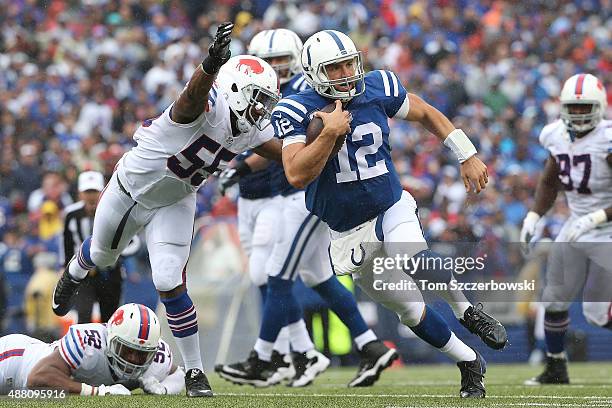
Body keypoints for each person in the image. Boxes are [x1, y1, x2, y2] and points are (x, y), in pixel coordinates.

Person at [272, 30, 508, 398]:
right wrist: (328, 134)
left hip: (390, 204)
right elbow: (296, 173)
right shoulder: (296, 108)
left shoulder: (377, 86)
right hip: (348, 231)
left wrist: (466, 152)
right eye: (335, 68)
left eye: (350, 63)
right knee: (411, 313)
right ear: (315, 72)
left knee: (412, 255)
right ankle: (469, 361)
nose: (347, 72)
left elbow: (426, 112)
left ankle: (467, 312)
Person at [51, 22, 282, 397]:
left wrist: (326, 131)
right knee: (102, 255)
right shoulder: (205, 105)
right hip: (131, 191)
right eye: (258, 98)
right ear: (236, 90)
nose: (262, 109)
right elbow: (191, 98)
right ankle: (75, 270)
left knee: (168, 280)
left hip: (176, 200)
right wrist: (210, 64)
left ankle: (194, 372)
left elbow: (287, 153)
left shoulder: (250, 129)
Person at [216, 28, 397, 389]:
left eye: (282, 61)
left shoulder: (311, 92)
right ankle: (365, 345)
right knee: (315, 276)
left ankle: (269, 357)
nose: (275, 69)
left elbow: (290, 150)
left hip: (300, 195)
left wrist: (241, 165)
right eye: (268, 63)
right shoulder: (260, 90)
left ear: (300, 60)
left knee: (276, 275)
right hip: (277, 196)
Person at [520, 73, 611, 385]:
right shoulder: (554, 135)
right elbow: (549, 179)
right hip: (577, 226)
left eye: (586, 107)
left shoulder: (608, 138)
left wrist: (597, 217)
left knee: (598, 313)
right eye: (574, 107)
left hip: (608, 229)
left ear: (599, 107)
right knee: (554, 299)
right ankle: (556, 368)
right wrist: (533, 216)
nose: (579, 114)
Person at [0, 303, 184, 395]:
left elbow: (178, 375)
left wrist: (162, 389)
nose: (133, 359)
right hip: (15, 360)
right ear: (110, 339)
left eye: (142, 354)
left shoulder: (158, 357)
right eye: (126, 349)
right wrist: (97, 392)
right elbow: (36, 378)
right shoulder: (90, 342)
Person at [62, 171, 124, 323]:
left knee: (109, 319)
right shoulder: (72, 214)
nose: (91, 196)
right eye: (87, 191)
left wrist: (115, 254)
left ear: (102, 192)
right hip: (84, 274)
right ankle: (84, 346)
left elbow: (132, 242)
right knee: (83, 316)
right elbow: (67, 243)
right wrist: (67, 268)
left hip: (109, 272)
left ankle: (108, 347)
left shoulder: (115, 211)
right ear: (80, 193)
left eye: (94, 191)